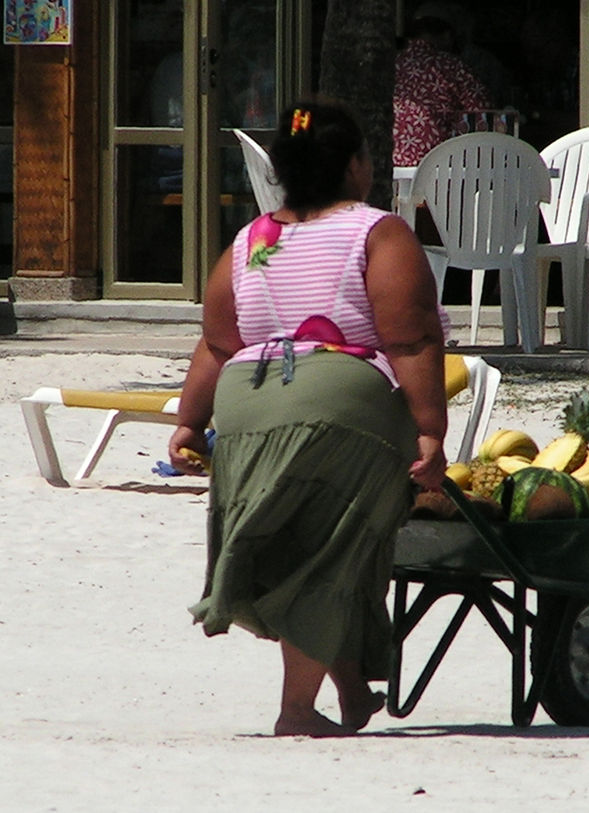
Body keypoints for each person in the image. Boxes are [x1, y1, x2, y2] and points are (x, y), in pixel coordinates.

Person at [168, 99, 449, 738]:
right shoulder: (377, 231)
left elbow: (218, 342)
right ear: (356, 166)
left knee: (301, 539)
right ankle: (297, 711)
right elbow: (409, 339)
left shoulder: (251, 240)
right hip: (339, 402)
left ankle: (351, 689)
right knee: (332, 548)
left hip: (246, 400)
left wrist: (189, 421)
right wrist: (430, 431)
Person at [393, 14, 491, 167]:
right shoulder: (452, 66)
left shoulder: (391, 65)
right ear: (447, 36)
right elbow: (483, 113)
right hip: (438, 170)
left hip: (392, 167)